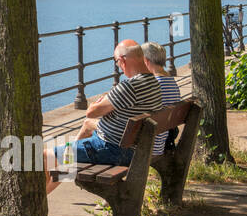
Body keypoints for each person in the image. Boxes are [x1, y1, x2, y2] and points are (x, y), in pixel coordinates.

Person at [44, 40, 166, 193]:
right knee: (69, 154)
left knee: (46, 155)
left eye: (117, 62)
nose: (118, 67)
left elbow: (92, 112)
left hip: (111, 150)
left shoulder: (129, 87)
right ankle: (48, 190)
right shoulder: (154, 84)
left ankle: (38, 201)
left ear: (122, 60)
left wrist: (102, 101)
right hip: (133, 148)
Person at [141, 41, 181, 149]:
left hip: (152, 143)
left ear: (146, 60)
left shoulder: (154, 85)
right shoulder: (171, 82)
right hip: (166, 138)